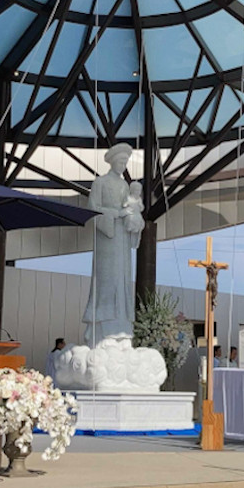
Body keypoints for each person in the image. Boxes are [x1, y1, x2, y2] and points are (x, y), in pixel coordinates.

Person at [83, 144, 140, 345]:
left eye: (125, 163)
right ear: (113, 162)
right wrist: (116, 214)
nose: (123, 166)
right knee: (107, 279)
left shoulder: (125, 186)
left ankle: (121, 324)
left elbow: (132, 207)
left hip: (121, 240)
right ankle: (102, 325)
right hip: (107, 239)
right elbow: (93, 209)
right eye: (121, 162)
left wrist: (134, 220)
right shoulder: (100, 183)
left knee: (122, 279)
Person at [123, 181, 144, 247]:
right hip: (130, 214)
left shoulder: (139, 199)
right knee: (130, 219)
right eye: (136, 190)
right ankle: (130, 232)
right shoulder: (128, 198)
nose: (138, 192)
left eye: (139, 190)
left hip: (137, 214)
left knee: (139, 220)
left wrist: (140, 207)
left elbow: (141, 207)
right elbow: (124, 205)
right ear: (132, 190)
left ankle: (135, 240)